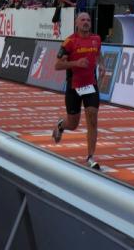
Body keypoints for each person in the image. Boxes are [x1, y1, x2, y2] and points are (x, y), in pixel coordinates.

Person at [52, 11, 105, 169]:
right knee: (73, 124)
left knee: (92, 118)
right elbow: (57, 65)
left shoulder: (96, 39)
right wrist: (76, 63)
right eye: (82, 20)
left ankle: (90, 157)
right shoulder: (69, 42)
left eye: (88, 20)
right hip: (74, 86)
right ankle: (61, 125)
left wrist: (102, 65)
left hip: (90, 85)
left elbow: (98, 54)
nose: (86, 22)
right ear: (76, 23)